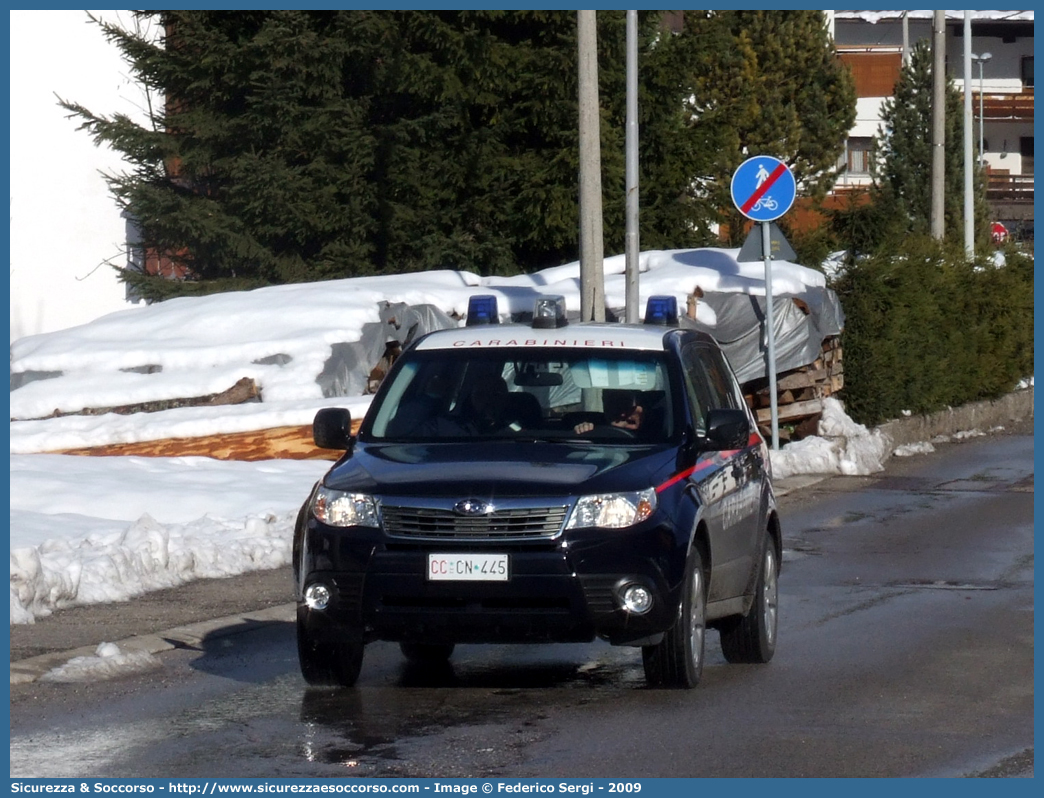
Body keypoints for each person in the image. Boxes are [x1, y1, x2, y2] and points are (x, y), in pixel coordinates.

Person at [574, 389, 645, 435]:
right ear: (604, 402)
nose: (621, 412)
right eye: (613, 402)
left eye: (624, 402)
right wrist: (583, 430)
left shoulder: (646, 430)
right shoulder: (594, 425)